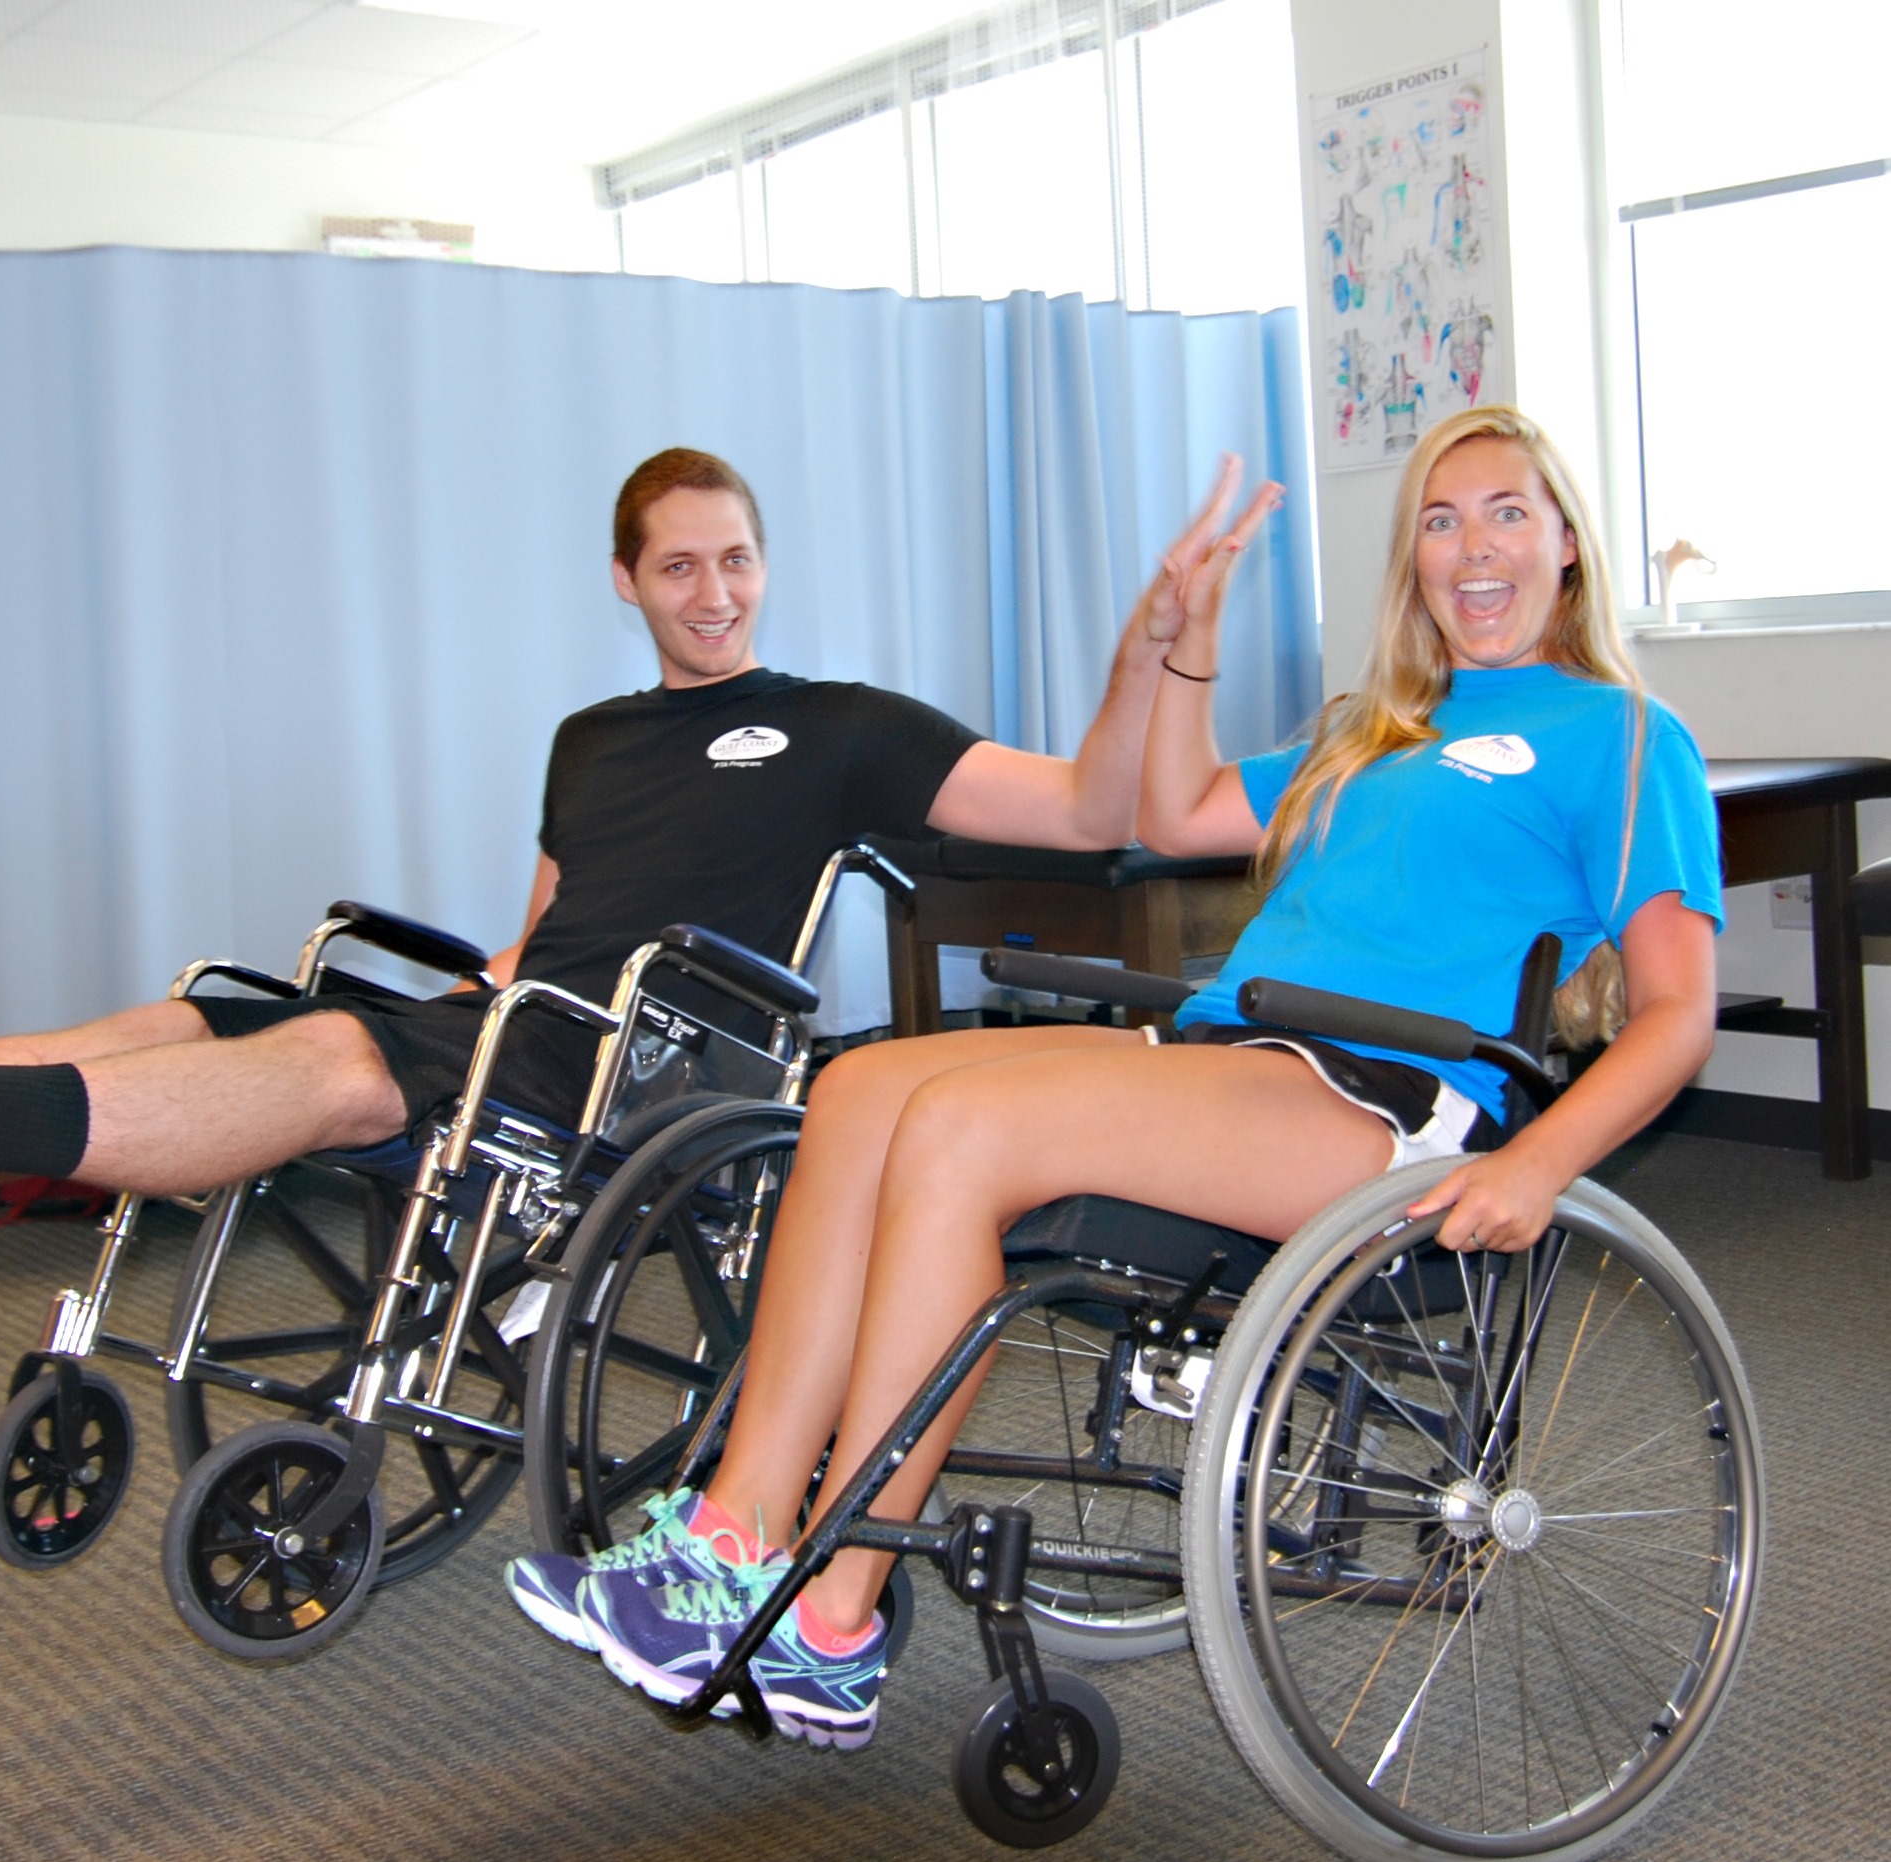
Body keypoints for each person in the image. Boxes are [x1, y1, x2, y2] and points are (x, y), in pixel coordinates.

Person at [506, 404, 1723, 1754]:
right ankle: (730, 1537)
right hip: (1225, 1052)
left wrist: (1535, 1163)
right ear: (1412, 563)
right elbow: (1170, 813)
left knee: (961, 1125)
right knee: (854, 1093)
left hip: (1383, 1095)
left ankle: (831, 1622)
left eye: (1505, 513)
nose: (1472, 547)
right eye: (1439, 521)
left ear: (1563, 544)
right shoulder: (1373, 728)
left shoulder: (1621, 737)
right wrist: (1176, 642)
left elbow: (1675, 1012)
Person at [0, 448, 1267, 1197]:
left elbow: (1091, 812)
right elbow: (539, 932)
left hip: (649, 1061)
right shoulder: (589, 738)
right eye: (679, 565)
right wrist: (466, 987)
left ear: (763, 562)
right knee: (204, 1008)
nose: (714, 590)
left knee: (330, 1059)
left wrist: (1146, 648)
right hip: (528, 1020)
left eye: (734, 558)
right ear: (626, 581)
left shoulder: (847, 725)